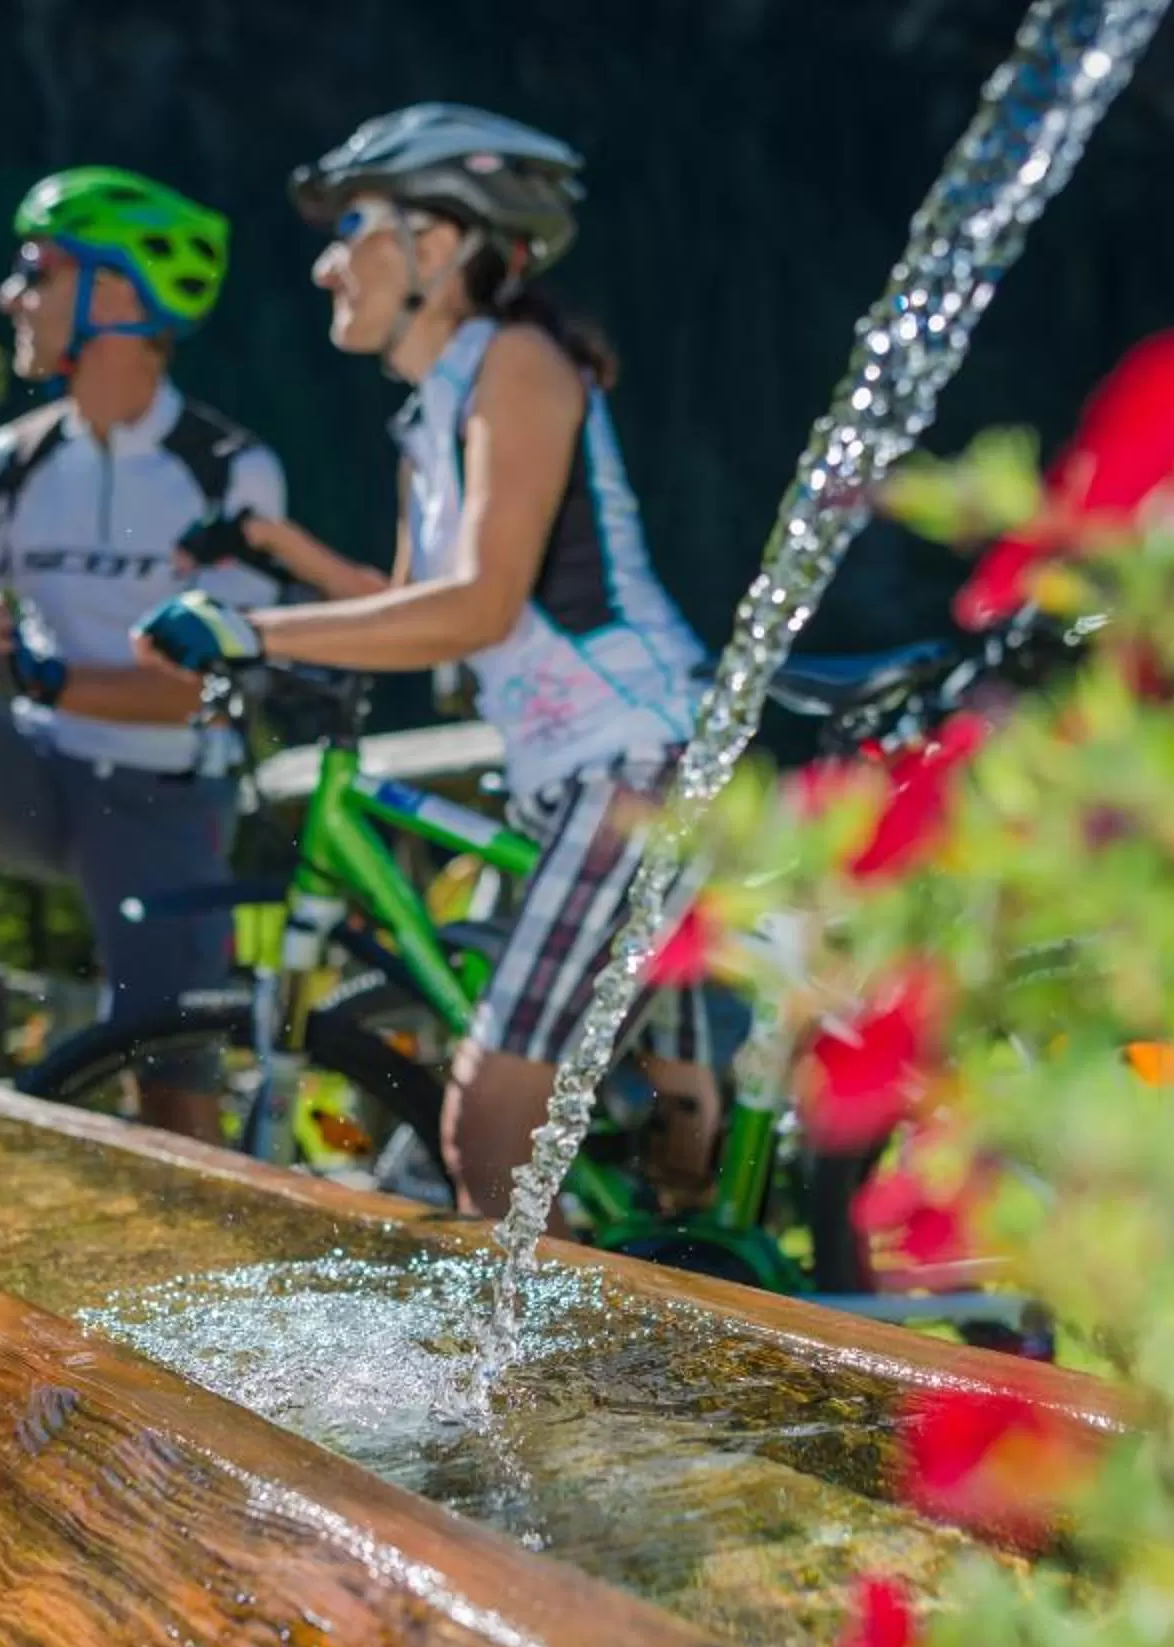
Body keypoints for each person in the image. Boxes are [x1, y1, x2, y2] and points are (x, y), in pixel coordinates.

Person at [133, 105, 718, 1220]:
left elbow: (479, 607)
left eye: (351, 225)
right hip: (574, 768)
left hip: (635, 758)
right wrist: (272, 552)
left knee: (489, 1118)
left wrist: (259, 632)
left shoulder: (519, 362)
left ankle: (541, 1391)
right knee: (599, 1133)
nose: (324, 264)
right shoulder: (428, 417)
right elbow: (410, 603)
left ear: (438, 245)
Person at [0, 166, 286, 1139]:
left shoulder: (227, 470)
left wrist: (36, 671)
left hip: (167, 796)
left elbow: (205, 688)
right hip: (35, 774)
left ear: (118, 294)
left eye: (37, 270)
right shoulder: (13, 461)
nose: (11, 295)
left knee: (171, 1098)